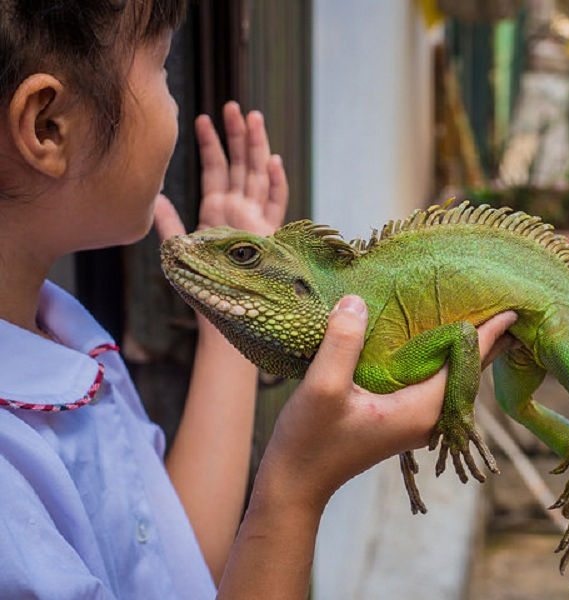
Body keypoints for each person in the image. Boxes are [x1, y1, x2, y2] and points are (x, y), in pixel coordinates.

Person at [0, 1, 517, 598]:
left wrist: (233, 315)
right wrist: (296, 487)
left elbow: (179, 564)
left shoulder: (62, 329)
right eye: (164, 68)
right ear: (48, 126)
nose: (174, 101)